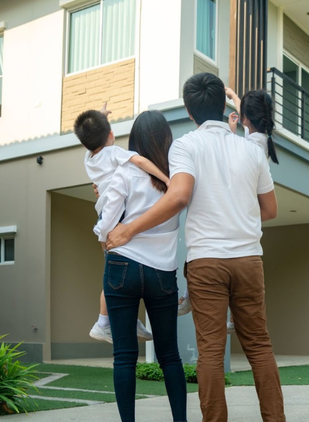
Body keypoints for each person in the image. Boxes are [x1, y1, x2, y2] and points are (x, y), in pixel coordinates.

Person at [106, 72, 285, 422]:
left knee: (211, 352)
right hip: (249, 260)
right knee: (260, 347)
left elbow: (179, 195)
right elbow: (270, 210)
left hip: (207, 265)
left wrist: (127, 230)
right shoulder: (251, 150)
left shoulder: (186, 146)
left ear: (189, 111)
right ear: (223, 106)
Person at [94, 110, 187, 422]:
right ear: (166, 141)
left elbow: (108, 225)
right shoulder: (177, 179)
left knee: (124, 356)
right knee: (170, 355)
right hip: (163, 273)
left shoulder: (123, 173)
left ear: (134, 141)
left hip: (122, 267)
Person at [176, 87, 279, 323]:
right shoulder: (257, 141)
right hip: (248, 256)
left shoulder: (250, 145)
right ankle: (232, 314)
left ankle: (191, 295)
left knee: (211, 342)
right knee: (258, 340)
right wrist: (233, 100)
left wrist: (232, 98)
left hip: (211, 255)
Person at [75, 103, 170, 344]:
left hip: (104, 215)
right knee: (116, 271)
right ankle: (102, 322)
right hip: (115, 216)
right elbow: (142, 162)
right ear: (111, 135)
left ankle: (105, 321)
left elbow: (96, 136)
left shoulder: (89, 158)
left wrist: (102, 116)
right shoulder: (114, 153)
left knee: (110, 273)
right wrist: (167, 179)